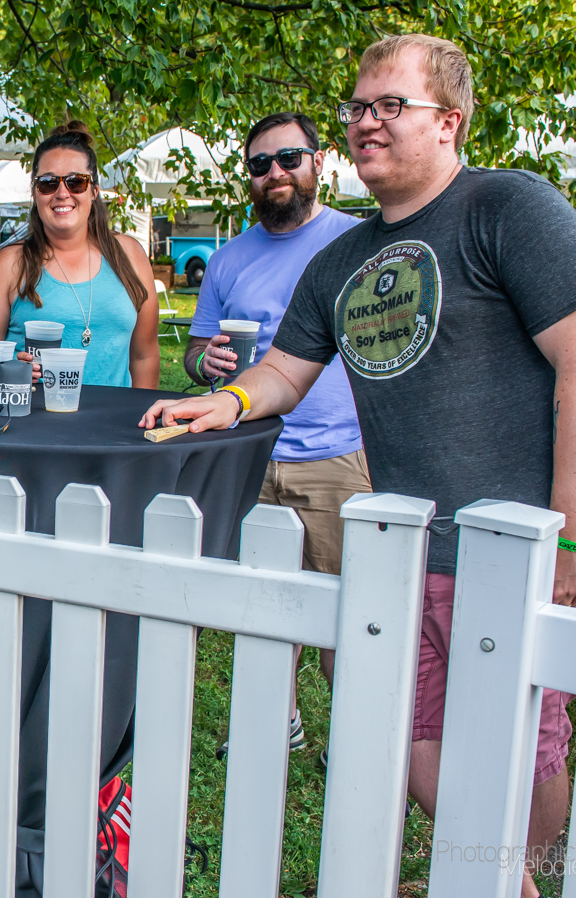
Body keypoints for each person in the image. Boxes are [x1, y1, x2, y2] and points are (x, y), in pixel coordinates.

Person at [142, 33, 576, 898]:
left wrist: (571, 535)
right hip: (418, 548)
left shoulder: (509, 208)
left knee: (530, 745)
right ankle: (508, 880)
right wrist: (226, 402)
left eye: (391, 105)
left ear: (450, 121)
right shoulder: (341, 259)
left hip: (530, 542)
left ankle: (517, 873)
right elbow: (285, 370)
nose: (367, 122)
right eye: (358, 107)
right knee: (405, 728)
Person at [195, 112, 369, 760]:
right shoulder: (228, 259)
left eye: (289, 158)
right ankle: (279, 721)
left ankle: (354, 738)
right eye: (260, 164)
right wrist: (205, 362)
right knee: (264, 607)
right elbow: (195, 352)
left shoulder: (357, 242)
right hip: (250, 453)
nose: (275, 173)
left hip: (336, 455)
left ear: (319, 161)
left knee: (351, 610)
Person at [0, 121, 159, 388]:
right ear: (35, 193)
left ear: (94, 191)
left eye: (76, 182)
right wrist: (10, 370)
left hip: (116, 416)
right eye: (47, 183)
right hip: (32, 415)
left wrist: (143, 413)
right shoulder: (8, 264)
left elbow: (144, 357)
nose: (62, 193)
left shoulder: (130, 254)